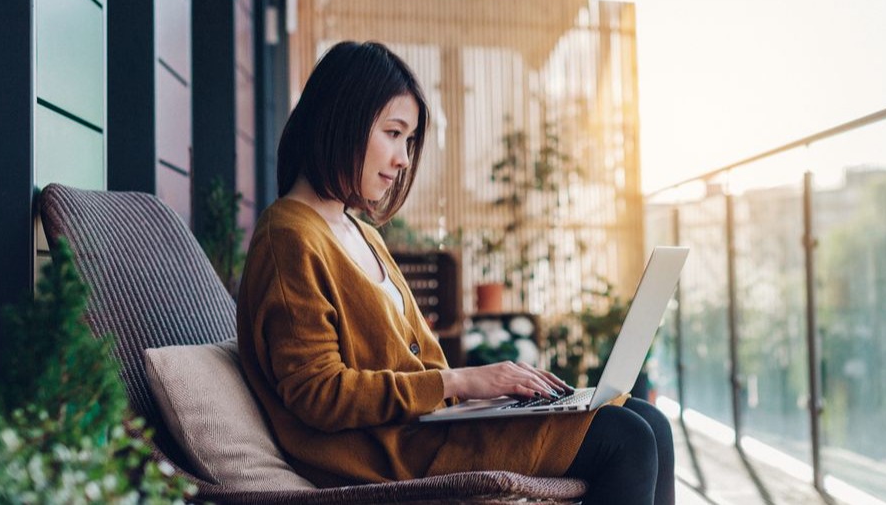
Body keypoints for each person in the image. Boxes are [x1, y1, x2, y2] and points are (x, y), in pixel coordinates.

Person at [236, 41, 674, 505]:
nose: (404, 158)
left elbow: (411, 365)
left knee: (651, 422)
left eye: (408, 140)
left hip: (431, 429)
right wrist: (460, 382)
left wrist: (486, 396)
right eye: (393, 133)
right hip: (389, 454)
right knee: (626, 437)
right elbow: (319, 394)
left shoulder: (360, 232)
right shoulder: (287, 238)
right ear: (340, 120)